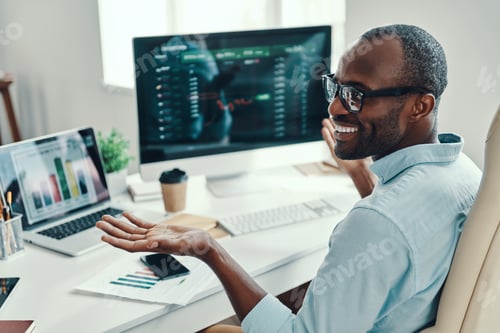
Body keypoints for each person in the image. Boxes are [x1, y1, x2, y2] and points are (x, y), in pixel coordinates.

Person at [96, 24, 481, 332]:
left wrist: (208, 249)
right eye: (337, 87)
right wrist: (362, 176)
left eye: (357, 95)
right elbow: (402, 239)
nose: (334, 107)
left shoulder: (377, 223)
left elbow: (384, 228)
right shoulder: (463, 173)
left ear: (420, 105)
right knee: (292, 291)